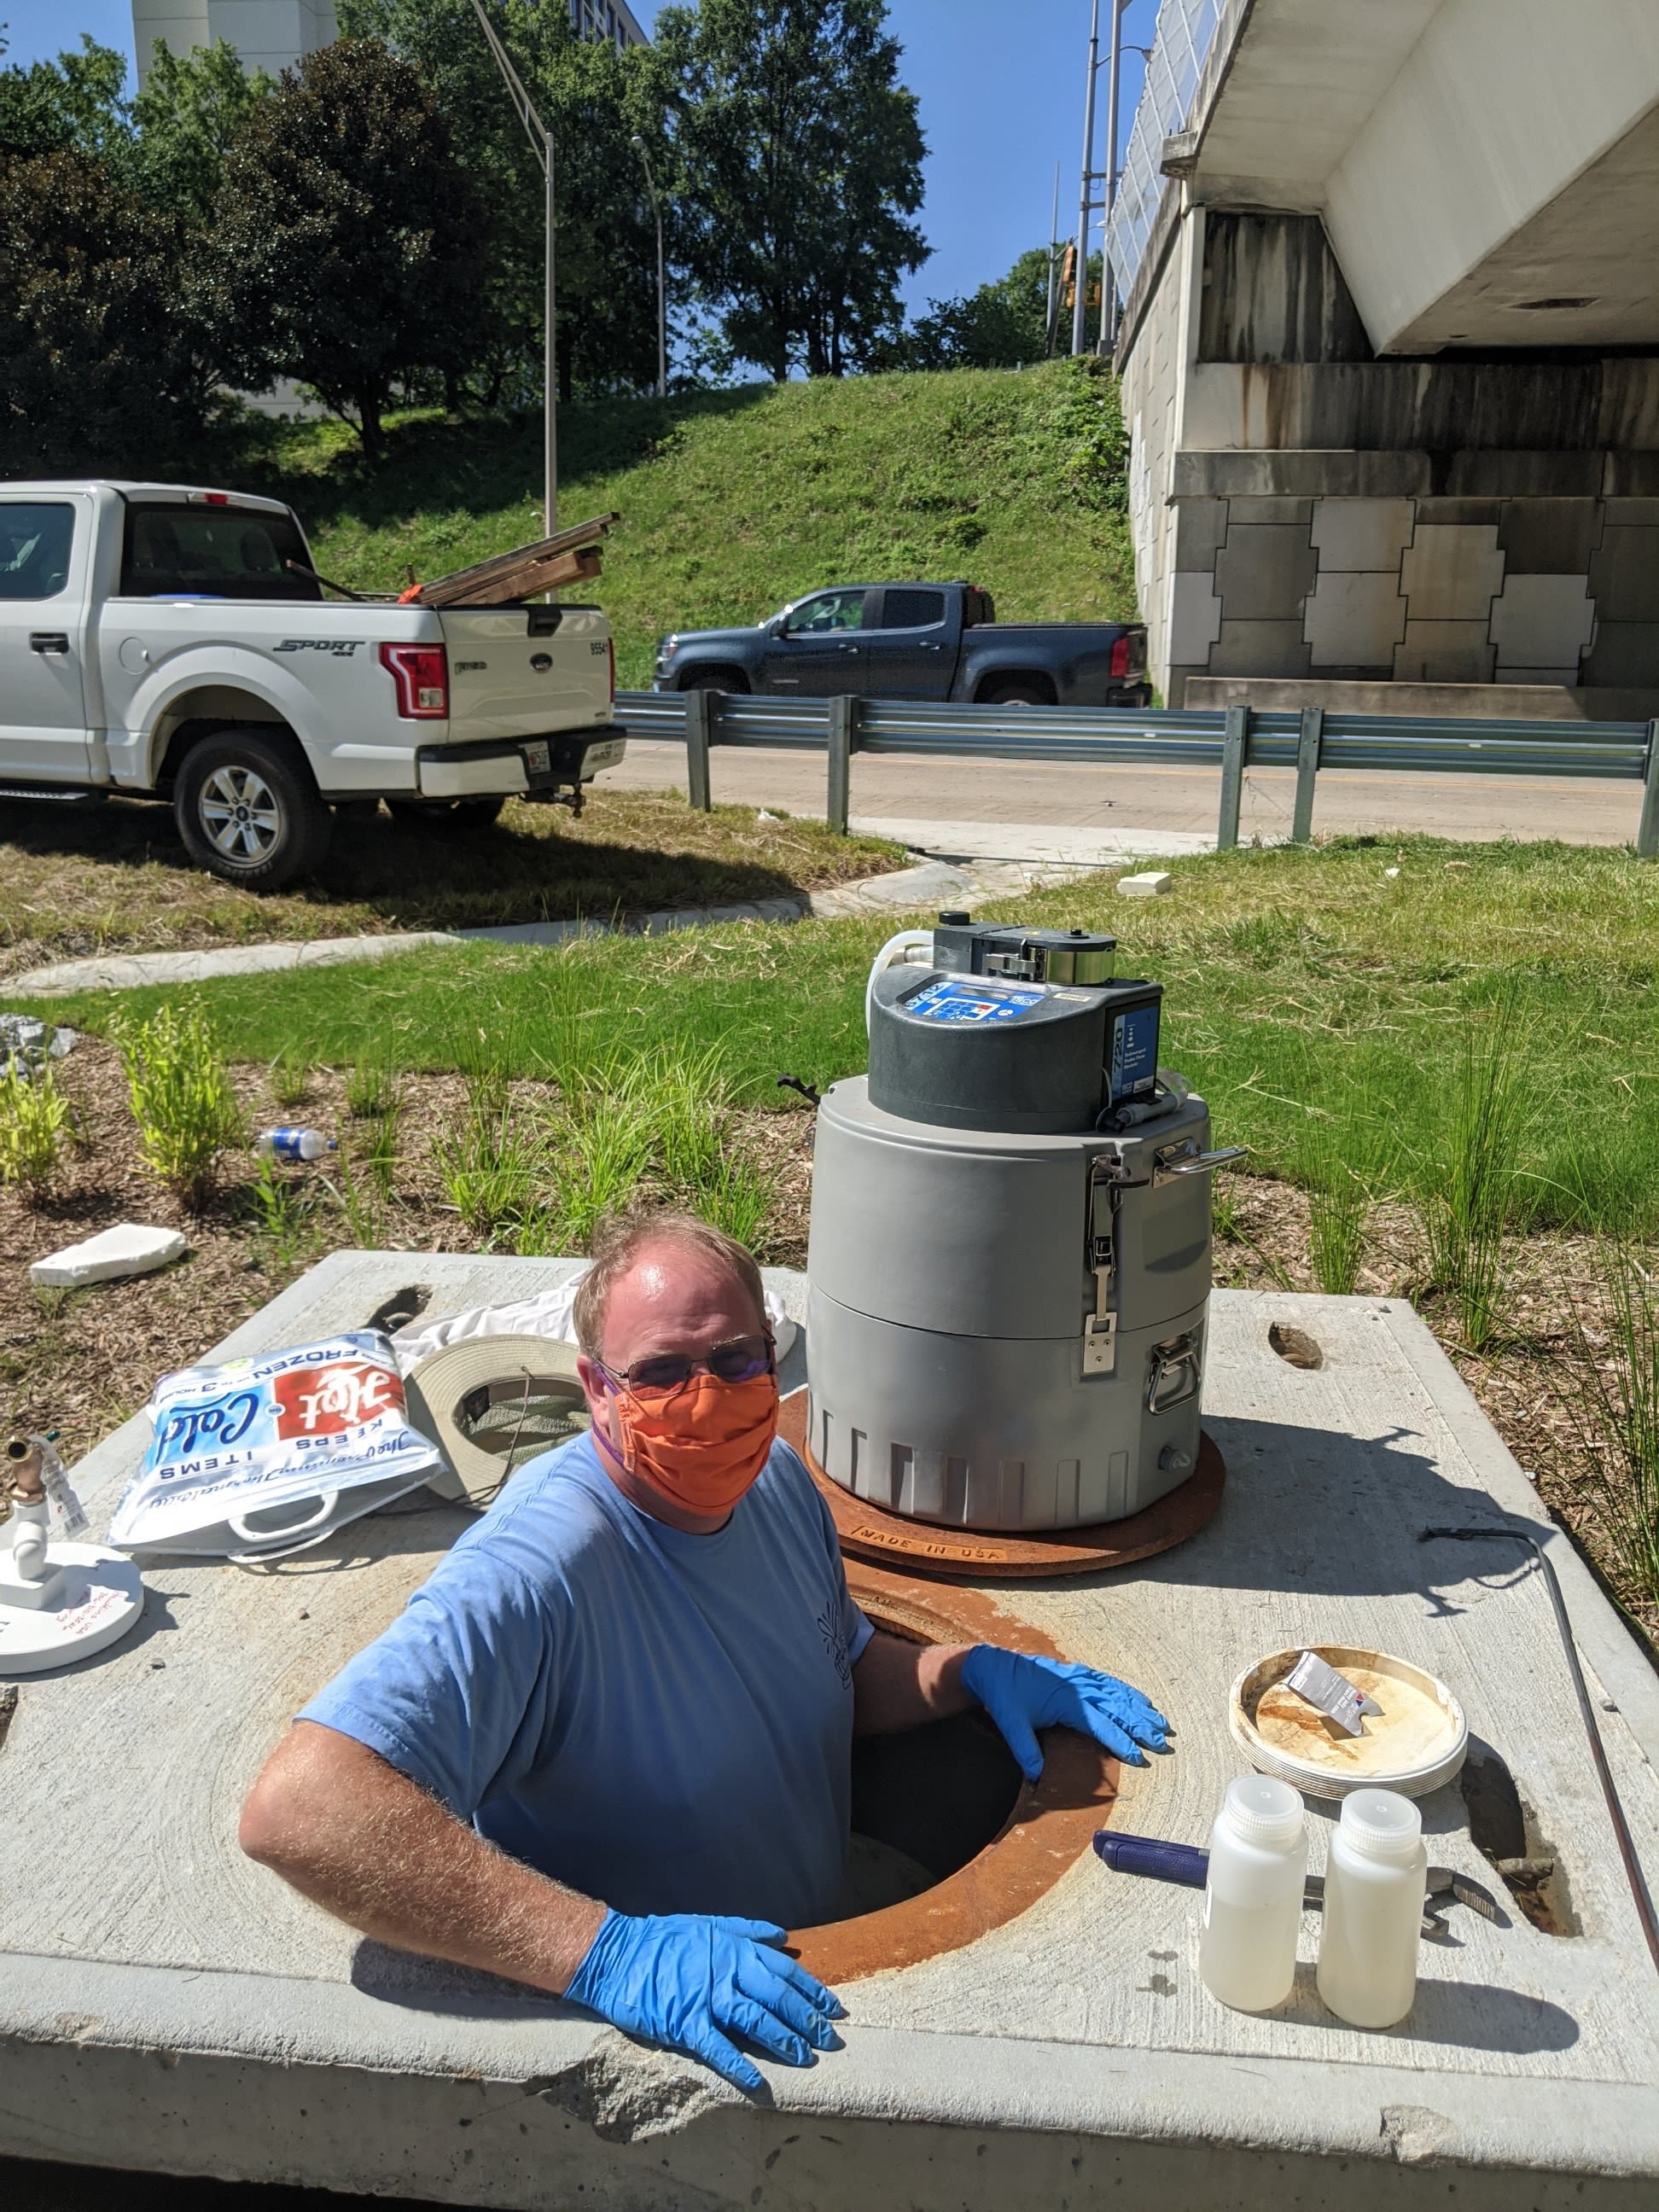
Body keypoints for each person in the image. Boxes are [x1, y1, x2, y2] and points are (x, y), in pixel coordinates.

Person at [240, 1213, 1172, 2090]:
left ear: (772, 1354)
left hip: (794, 1952)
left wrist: (967, 1673)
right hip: (680, 2016)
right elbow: (302, 1812)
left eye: (735, 1357)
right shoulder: (539, 1571)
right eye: (660, 1373)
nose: (708, 1397)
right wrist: (606, 1955)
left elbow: (831, 1669)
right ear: (595, 1388)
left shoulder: (769, 1478)